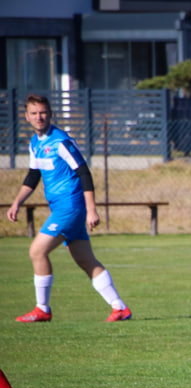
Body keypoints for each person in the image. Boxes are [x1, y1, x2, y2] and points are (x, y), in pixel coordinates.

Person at [6, 94, 131, 323]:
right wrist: (17, 202)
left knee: (37, 251)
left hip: (70, 207)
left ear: (51, 114)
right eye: (34, 113)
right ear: (26, 117)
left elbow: (84, 172)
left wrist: (91, 209)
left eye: (43, 112)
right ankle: (119, 307)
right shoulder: (36, 142)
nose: (39, 117)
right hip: (61, 209)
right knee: (85, 260)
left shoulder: (60, 141)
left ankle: (42, 308)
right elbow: (33, 175)